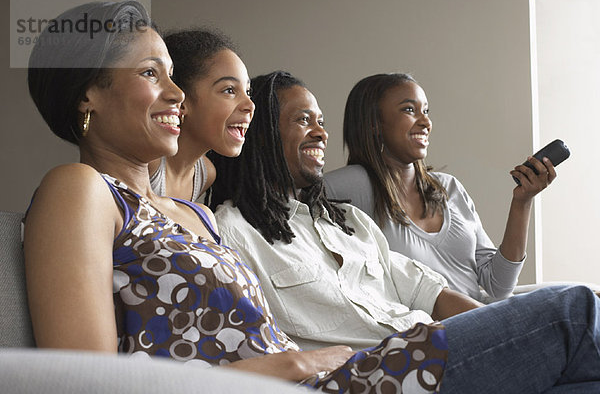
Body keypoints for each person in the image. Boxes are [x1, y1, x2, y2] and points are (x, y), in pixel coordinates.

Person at [23, 2, 454, 392]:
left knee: (509, 323)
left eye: (172, 75)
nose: (176, 94)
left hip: (334, 376)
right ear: (87, 95)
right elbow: (88, 383)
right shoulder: (81, 188)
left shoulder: (196, 213)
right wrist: (293, 364)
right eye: (150, 73)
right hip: (313, 381)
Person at [208, 71, 600, 392]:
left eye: (321, 122)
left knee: (580, 381)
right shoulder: (233, 231)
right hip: (384, 372)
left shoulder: (347, 222)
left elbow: (427, 291)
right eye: (303, 120)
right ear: (261, 134)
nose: (320, 133)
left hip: (437, 344)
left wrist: (500, 331)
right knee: (575, 306)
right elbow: (244, 344)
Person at [324, 73, 556, 302]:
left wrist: (523, 201)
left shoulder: (448, 187)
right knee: (576, 302)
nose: (425, 122)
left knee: (588, 294)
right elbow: (292, 204)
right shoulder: (352, 187)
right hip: (436, 334)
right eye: (409, 110)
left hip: (481, 316)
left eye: (425, 111)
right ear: (374, 124)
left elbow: (499, 286)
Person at [148, 29, 251, 202]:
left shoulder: (205, 173)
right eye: (229, 90)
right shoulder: (149, 163)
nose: (250, 105)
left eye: (248, 91)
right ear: (181, 99)